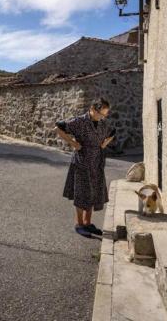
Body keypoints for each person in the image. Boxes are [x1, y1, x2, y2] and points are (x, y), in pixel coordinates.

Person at [54, 98, 116, 238]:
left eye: (106, 114)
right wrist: (73, 143)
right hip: (82, 161)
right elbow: (58, 127)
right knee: (82, 192)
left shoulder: (102, 123)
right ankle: (79, 224)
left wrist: (104, 144)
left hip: (97, 162)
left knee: (93, 191)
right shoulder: (80, 121)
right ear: (93, 109)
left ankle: (88, 223)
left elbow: (112, 132)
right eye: (102, 114)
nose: (103, 117)